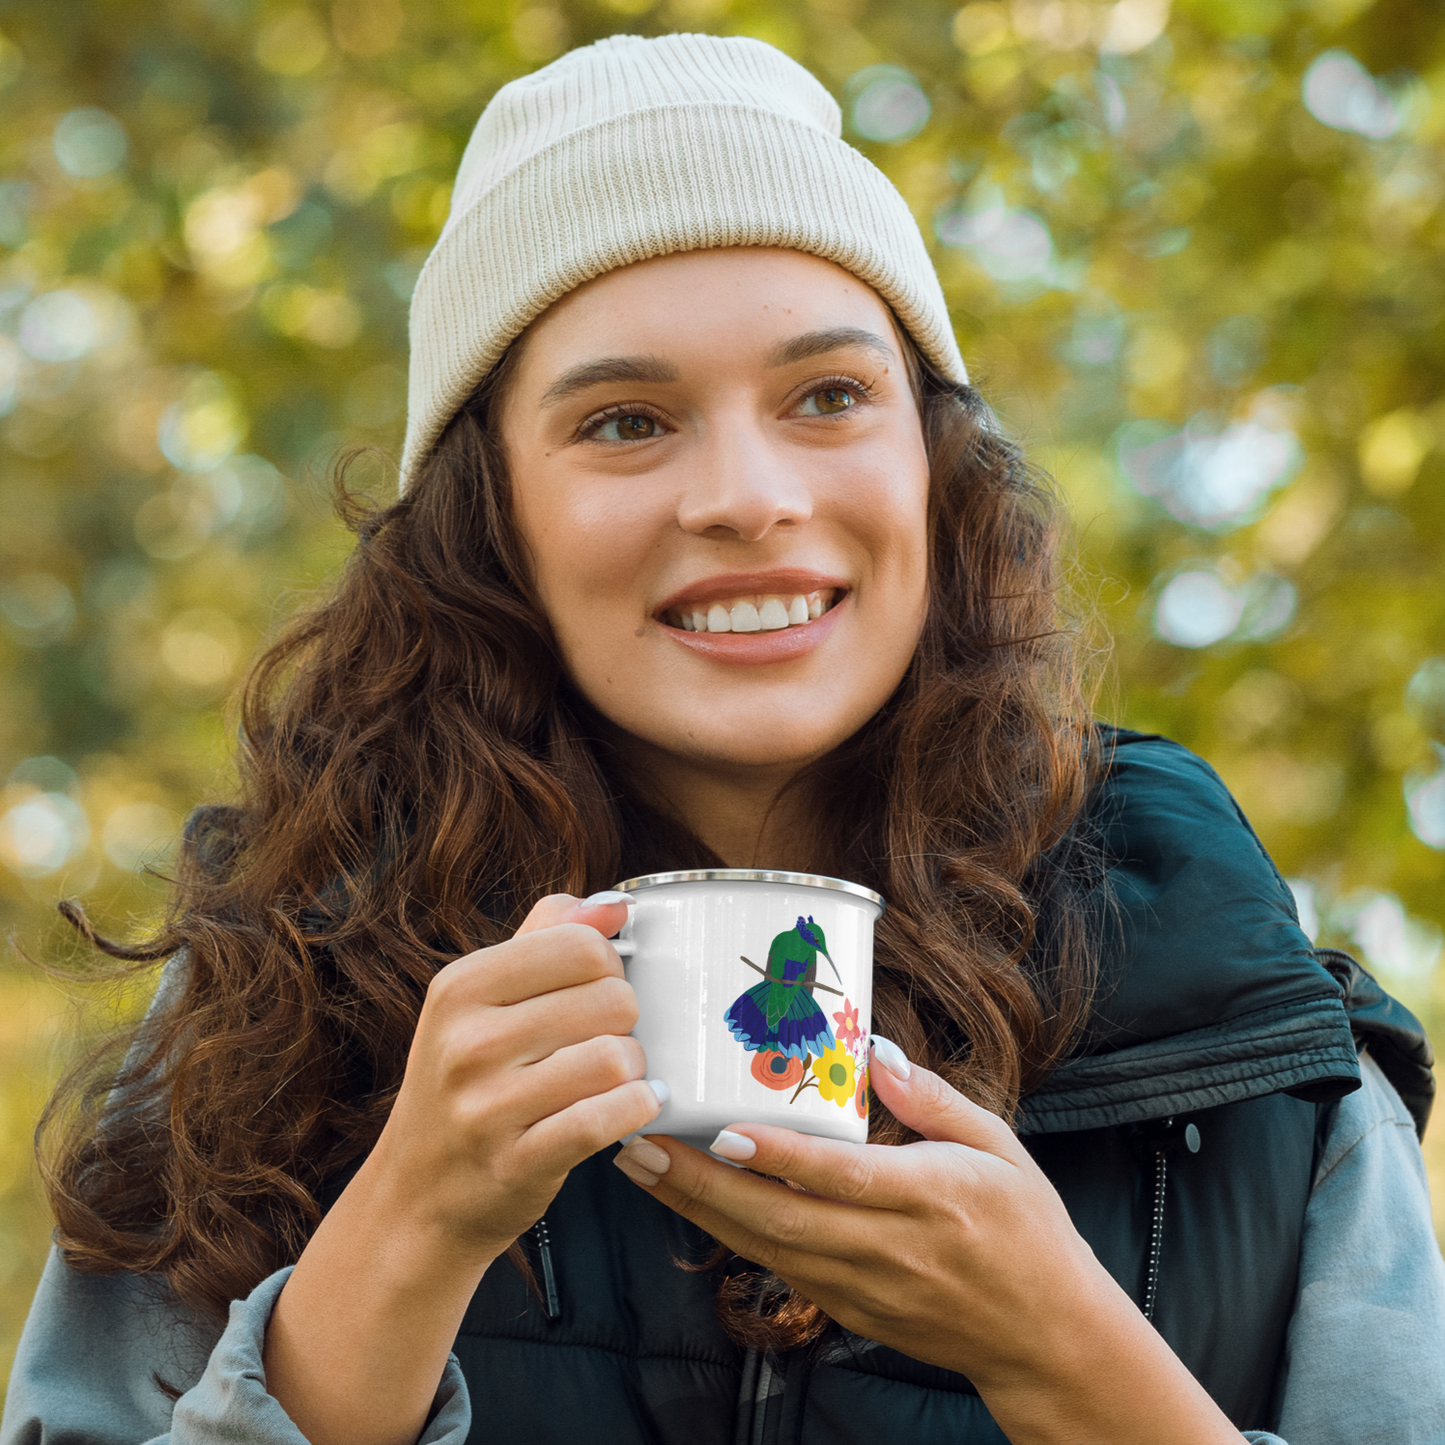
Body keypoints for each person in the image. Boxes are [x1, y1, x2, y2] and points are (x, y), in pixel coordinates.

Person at [4, 31, 1443, 1445]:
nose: (748, 497)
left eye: (829, 396)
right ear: (491, 518)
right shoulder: (272, 987)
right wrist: (406, 1236)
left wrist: (1061, 1351)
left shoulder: (1238, 1000)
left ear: (933, 469)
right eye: (626, 422)